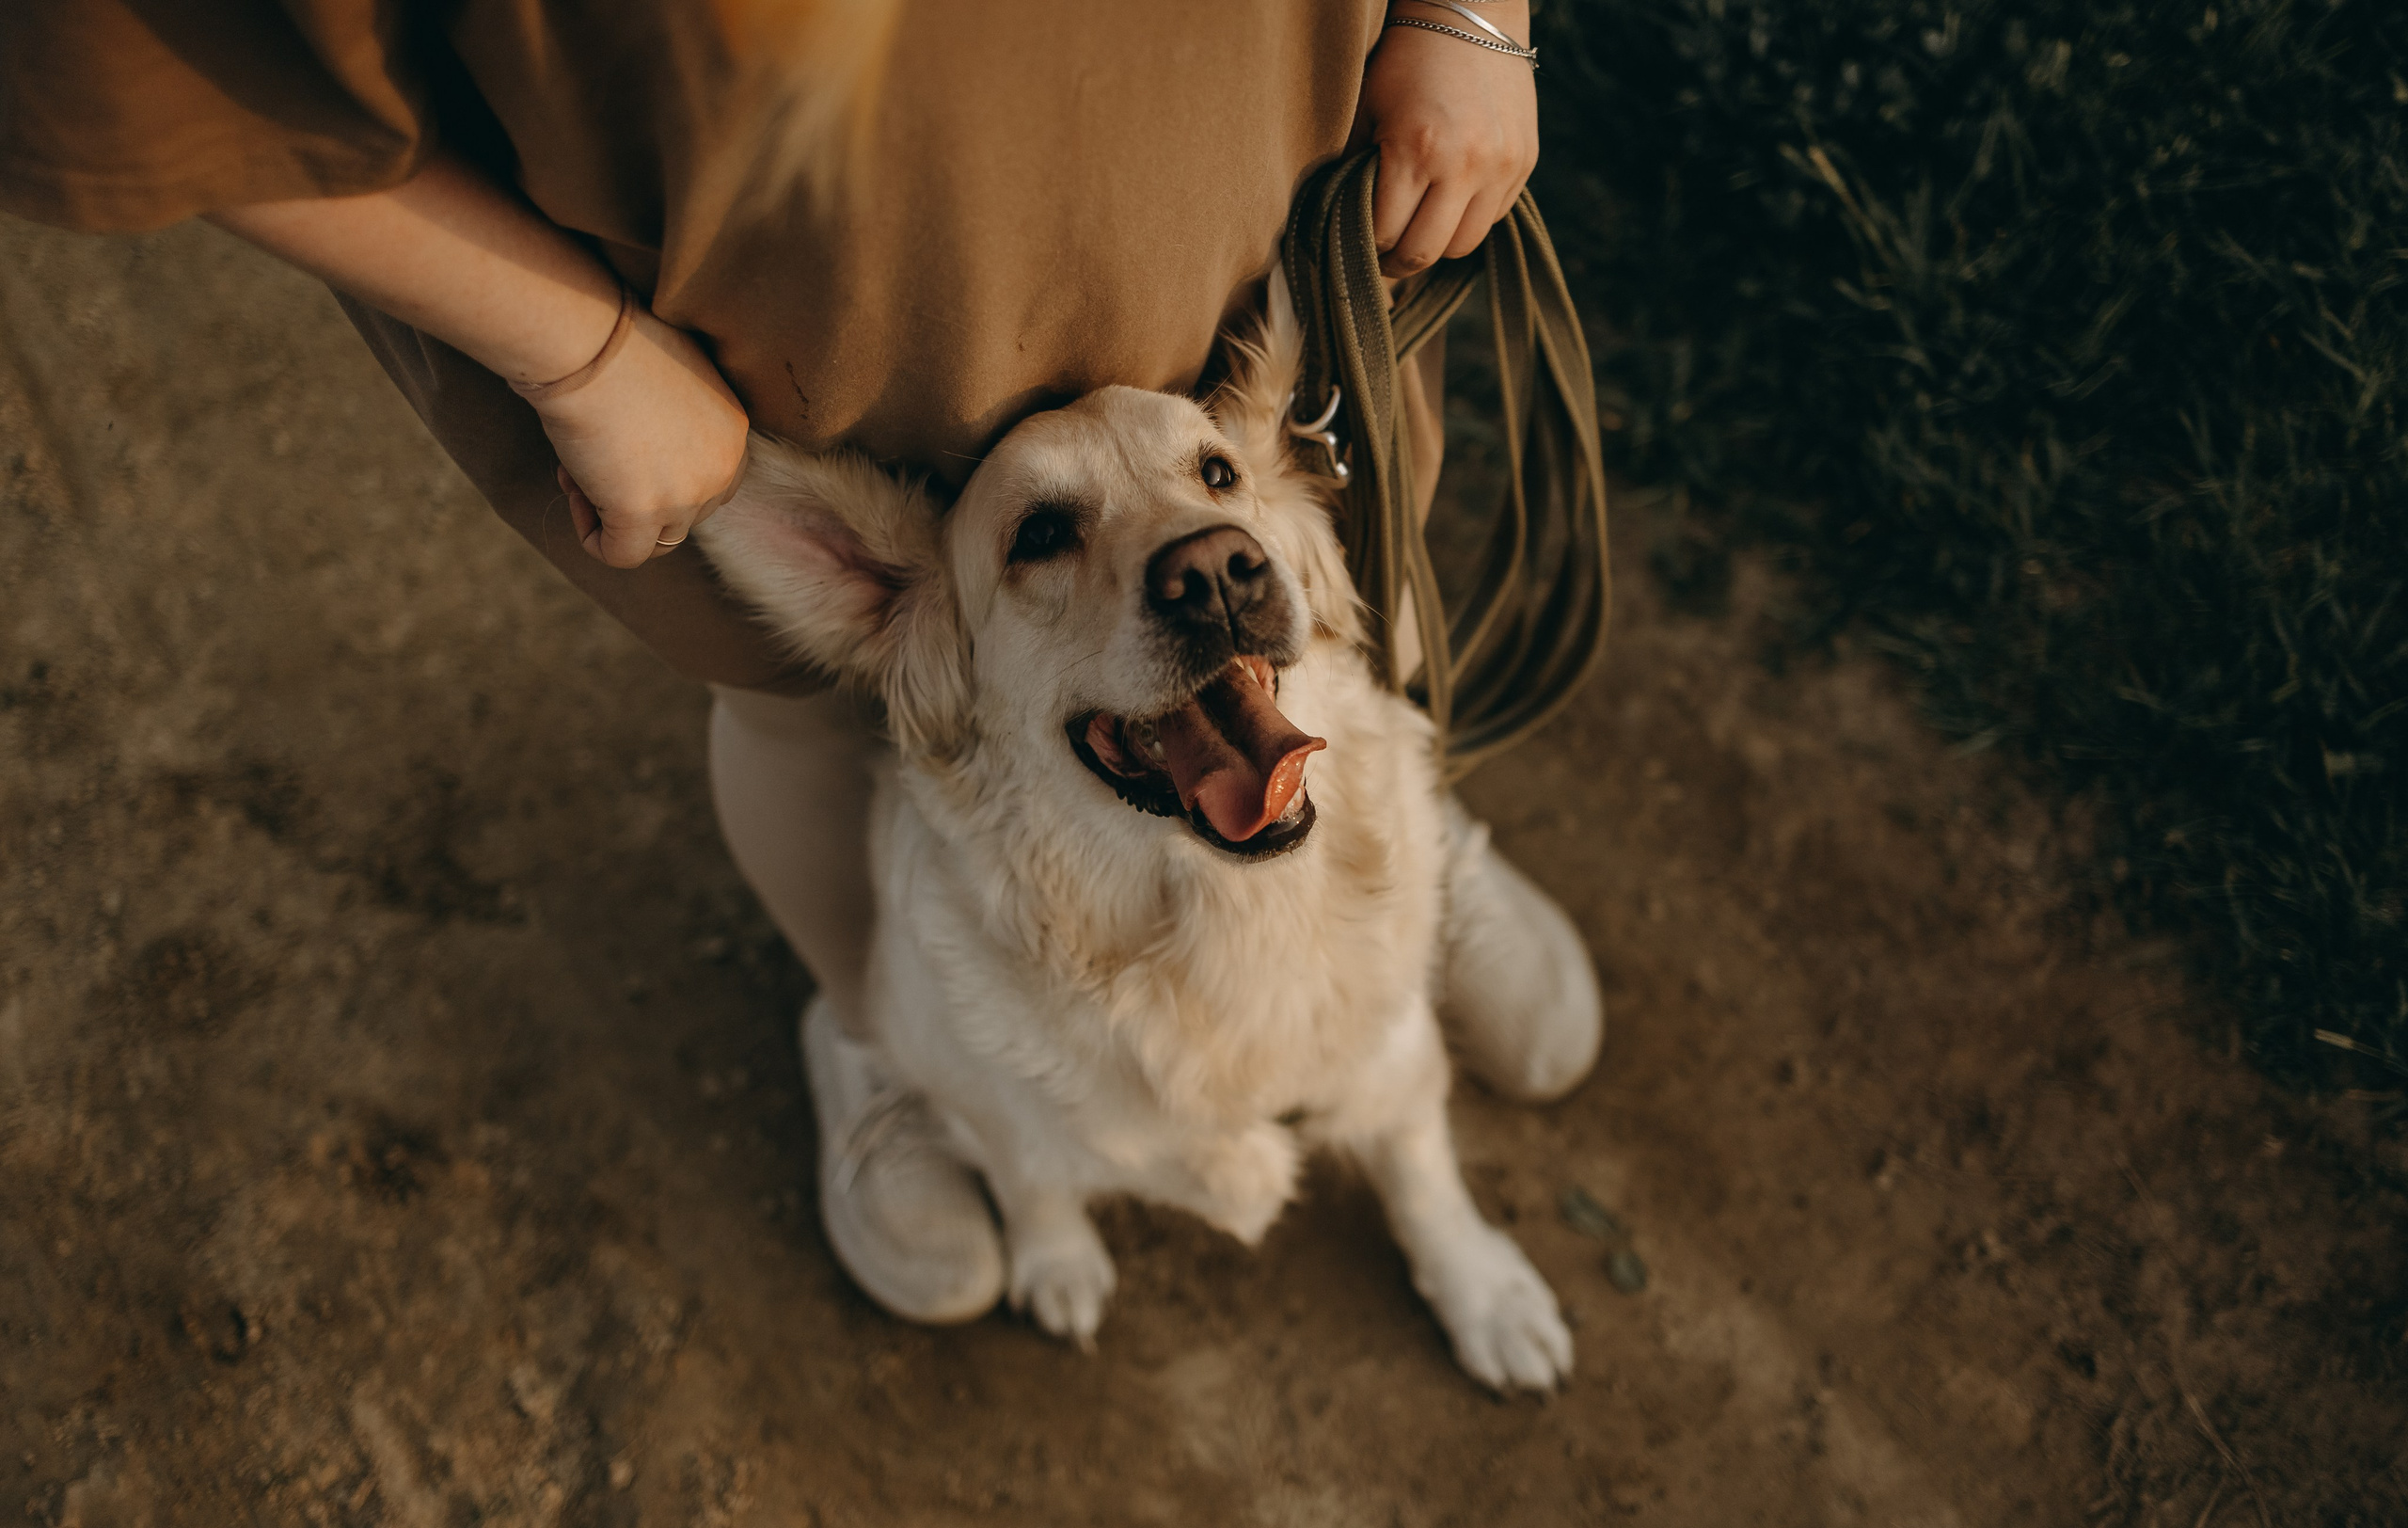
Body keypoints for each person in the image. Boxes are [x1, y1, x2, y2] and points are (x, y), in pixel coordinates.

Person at [0, 0, 1602, 1323]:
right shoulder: (891, 601)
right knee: (798, 735)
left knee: (1326, 625)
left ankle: (1409, 869)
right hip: (769, 333)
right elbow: (129, 51)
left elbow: (1245, 517)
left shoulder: (1250, 509)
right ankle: (900, 1052)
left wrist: (1472, 9)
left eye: (1214, 515)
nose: (1203, 557)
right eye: (1048, 544)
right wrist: (584, 354)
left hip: (1253, 175)